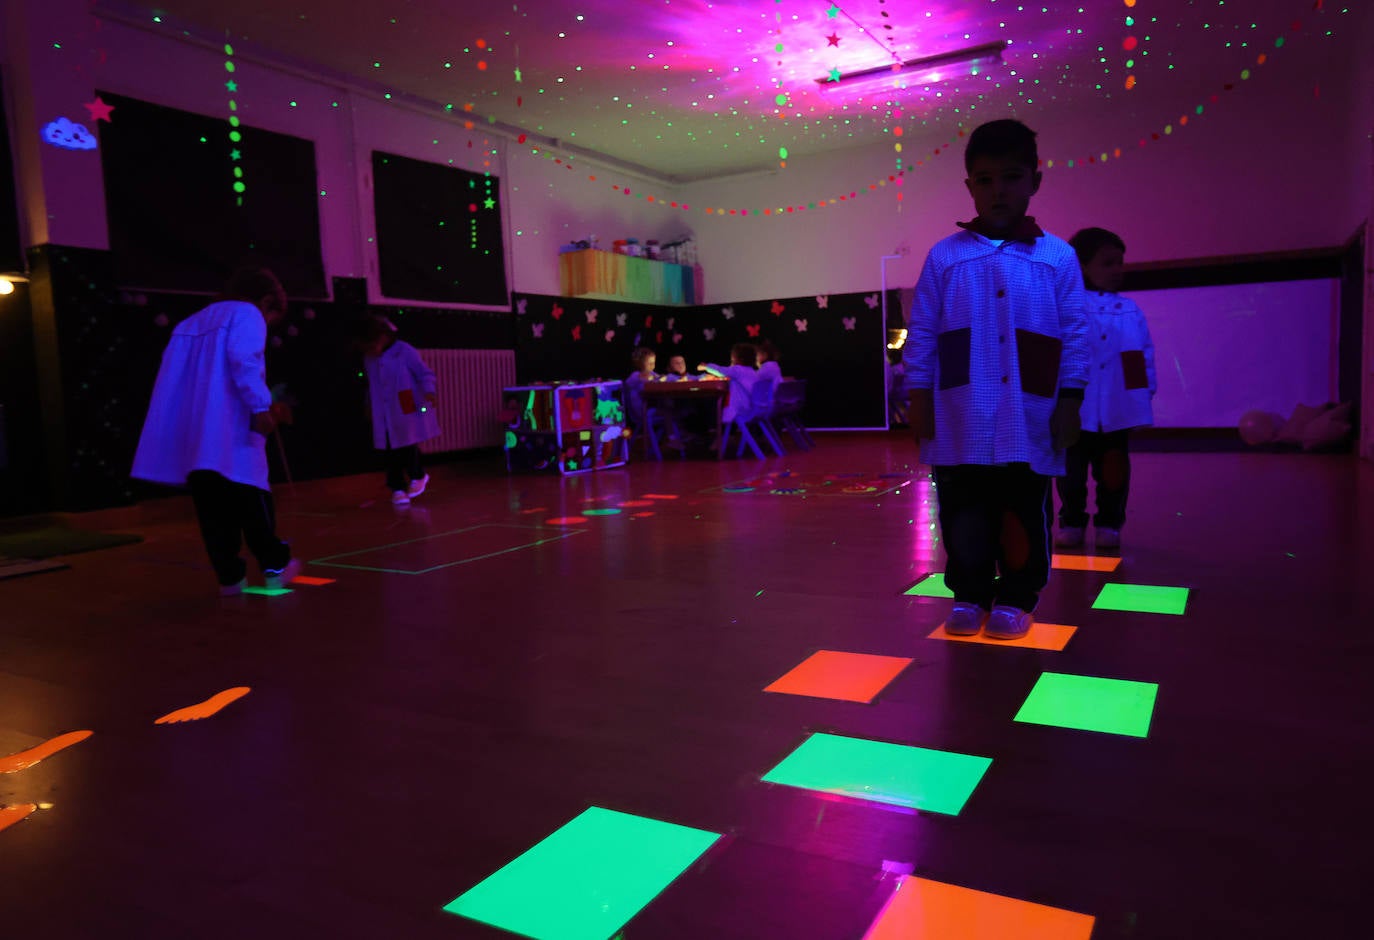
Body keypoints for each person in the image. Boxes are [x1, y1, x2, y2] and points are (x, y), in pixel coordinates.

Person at [903, 119, 1089, 640]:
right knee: (963, 509)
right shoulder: (946, 256)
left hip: (1029, 413)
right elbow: (923, 332)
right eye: (984, 180)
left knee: (1023, 510)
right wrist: (918, 396)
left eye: (1011, 177)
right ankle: (968, 592)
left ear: (1035, 180)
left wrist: (1070, 400)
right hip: (960, 414)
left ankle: (1017, 595)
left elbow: (1074, 333)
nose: (998, 190)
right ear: (969, 187)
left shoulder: (1058, 258)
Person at [131, 266, 301, 596]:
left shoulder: (189, 323)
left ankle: (229, 579)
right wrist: (260, 405)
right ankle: (274, 569)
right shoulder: (247, 314)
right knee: (253, 502)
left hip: (196, 438)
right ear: (266, 301)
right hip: (232, 431)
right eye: (271, 318)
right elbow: (244, 359)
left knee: (213, 512)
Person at [1054, 227, 1156, 550]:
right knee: (1070, 473)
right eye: (1107, 263)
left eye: (1119, 263)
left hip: (1116, 410)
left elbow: (1142, 357)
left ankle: (1110, 522)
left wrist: (1141, 397)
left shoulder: (1129, 310)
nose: (1116, 271)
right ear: (1082, 266)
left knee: (1113, 472)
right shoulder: (1066, 306)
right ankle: (1072, 520)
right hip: (1074, 408)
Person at [359, 315, 439, 506]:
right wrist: (369, 404)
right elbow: (369, 384)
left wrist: (429, 391)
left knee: (407, 442)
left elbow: (424, 373)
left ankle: (418, 474)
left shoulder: (405, 351)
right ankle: (396, 487)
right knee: (389, 447)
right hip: (382, 406)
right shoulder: (370, 358)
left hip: (404, 401)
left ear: (383, 337)